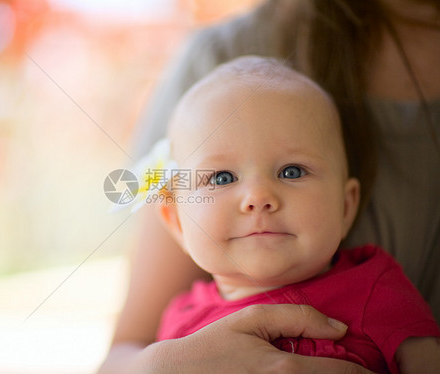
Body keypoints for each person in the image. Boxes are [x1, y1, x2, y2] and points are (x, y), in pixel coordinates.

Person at [98, 1, 440, 373]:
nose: (259, 197)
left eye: (292, 171)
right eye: (223, 178)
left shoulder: (375, 289)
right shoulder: (177, 329)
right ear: (177, 220)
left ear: (346, 206)